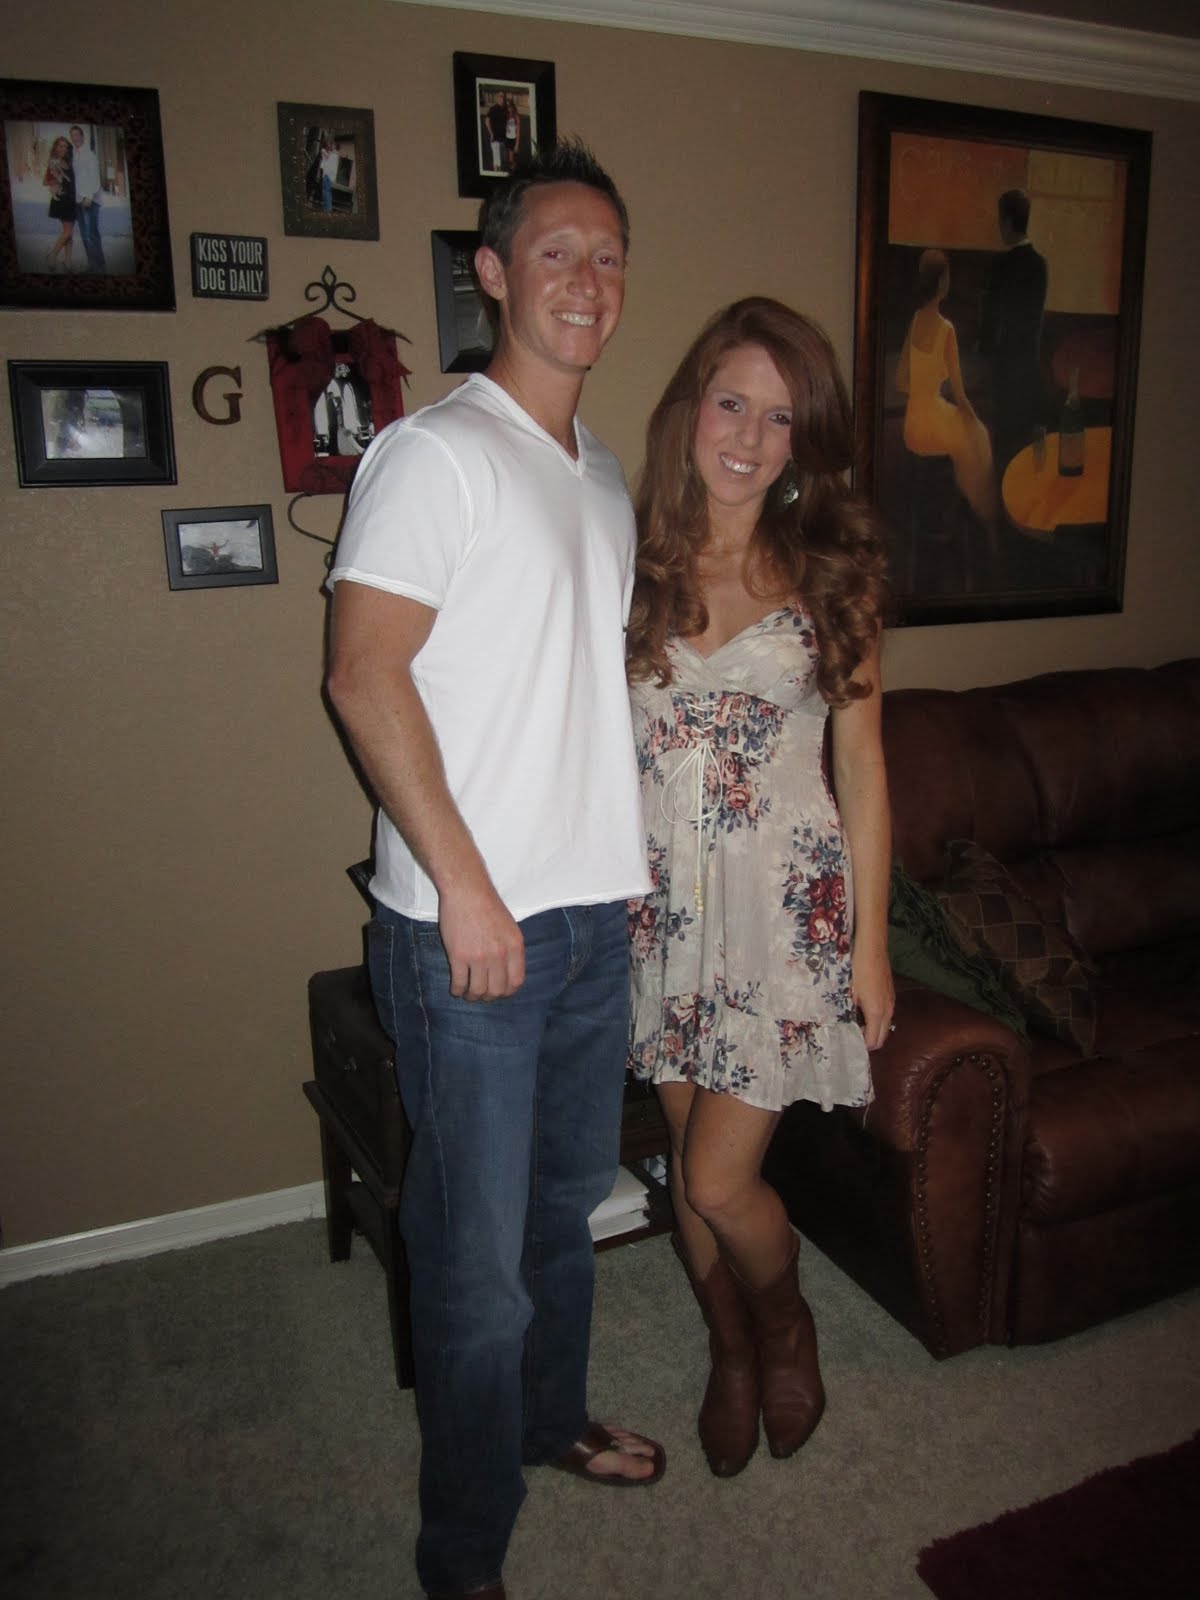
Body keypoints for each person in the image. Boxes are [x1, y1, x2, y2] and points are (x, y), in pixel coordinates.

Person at [324, 139, 664, 1600]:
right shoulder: (434, 453)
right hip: (467, 929)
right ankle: (462, 1560)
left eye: (607, 256)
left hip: (589, 918)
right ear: (493, 273)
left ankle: (546, 1418)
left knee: (565, 1210)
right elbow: (362, 674)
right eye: (554, 252)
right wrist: (465, 884)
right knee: (475, 1267)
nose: (586, 281)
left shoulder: (601, 474)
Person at [626, 297, 894, 1479]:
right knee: (690, 1157)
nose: (748, 436)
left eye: (780, 418)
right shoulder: (627, 561)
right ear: (692, 406)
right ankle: (729, 1350)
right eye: (732, 402)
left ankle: (784, 1324)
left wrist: (869, 949)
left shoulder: (833, 571)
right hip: (662, 911)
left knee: (717, 1177)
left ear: (805, 441)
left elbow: (863, 766)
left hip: (785, 917)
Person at [897, 248, 995, 526]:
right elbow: (960, 393)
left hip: (912, 425)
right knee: (979, 435)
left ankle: (951, 508)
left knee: (967, 433)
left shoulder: (916, 320)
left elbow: (901, 380)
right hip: (932, 421)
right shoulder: (946, 329)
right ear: (941, 282)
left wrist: (921, 388)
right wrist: (973, 420)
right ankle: (972, 512)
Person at [980, 187, 1048, 474]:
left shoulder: (1001, 266)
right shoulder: (1040, 265)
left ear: (1007, 222)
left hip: (1006, 362)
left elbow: (991, 317)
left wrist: (984, 349)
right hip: (1030, 360)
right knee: (1024, 437)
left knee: (1004, 437)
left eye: (1000, 220)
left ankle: (1004, 484)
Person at [69, 124, 105, 274]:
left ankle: (98, 267)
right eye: (72, 136)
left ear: (83, 137)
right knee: (85, 235)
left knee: (91, 234)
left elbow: (95, 177)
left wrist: (89, 197)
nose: (75, 138)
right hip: (78, 200)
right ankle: (93, 265)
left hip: (90, 200)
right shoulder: (74, 154)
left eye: (77, 135)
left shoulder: (89, 154)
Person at [43, 136, 76, 273]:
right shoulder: (54, 162)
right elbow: (47, 181)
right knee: (67, 232)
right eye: (61, 146)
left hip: (72, 199)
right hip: (62, 200)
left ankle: (67, 262)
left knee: (69, 232)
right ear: (56, 147)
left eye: (65, 146)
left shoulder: (68, 161)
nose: (63, 149)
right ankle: (52, 255)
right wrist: (56, 181)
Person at [318, 136, 339, 213]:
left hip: (328, 175)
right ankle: (327, 208)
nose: (330, 146)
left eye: (332, 145)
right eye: (330, 144)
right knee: (325, 191)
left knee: (326, 192)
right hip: (326, 174)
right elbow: (327, 158)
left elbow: (331, 163)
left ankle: (328, 209)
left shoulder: (334, 153)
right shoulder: (324, 151)